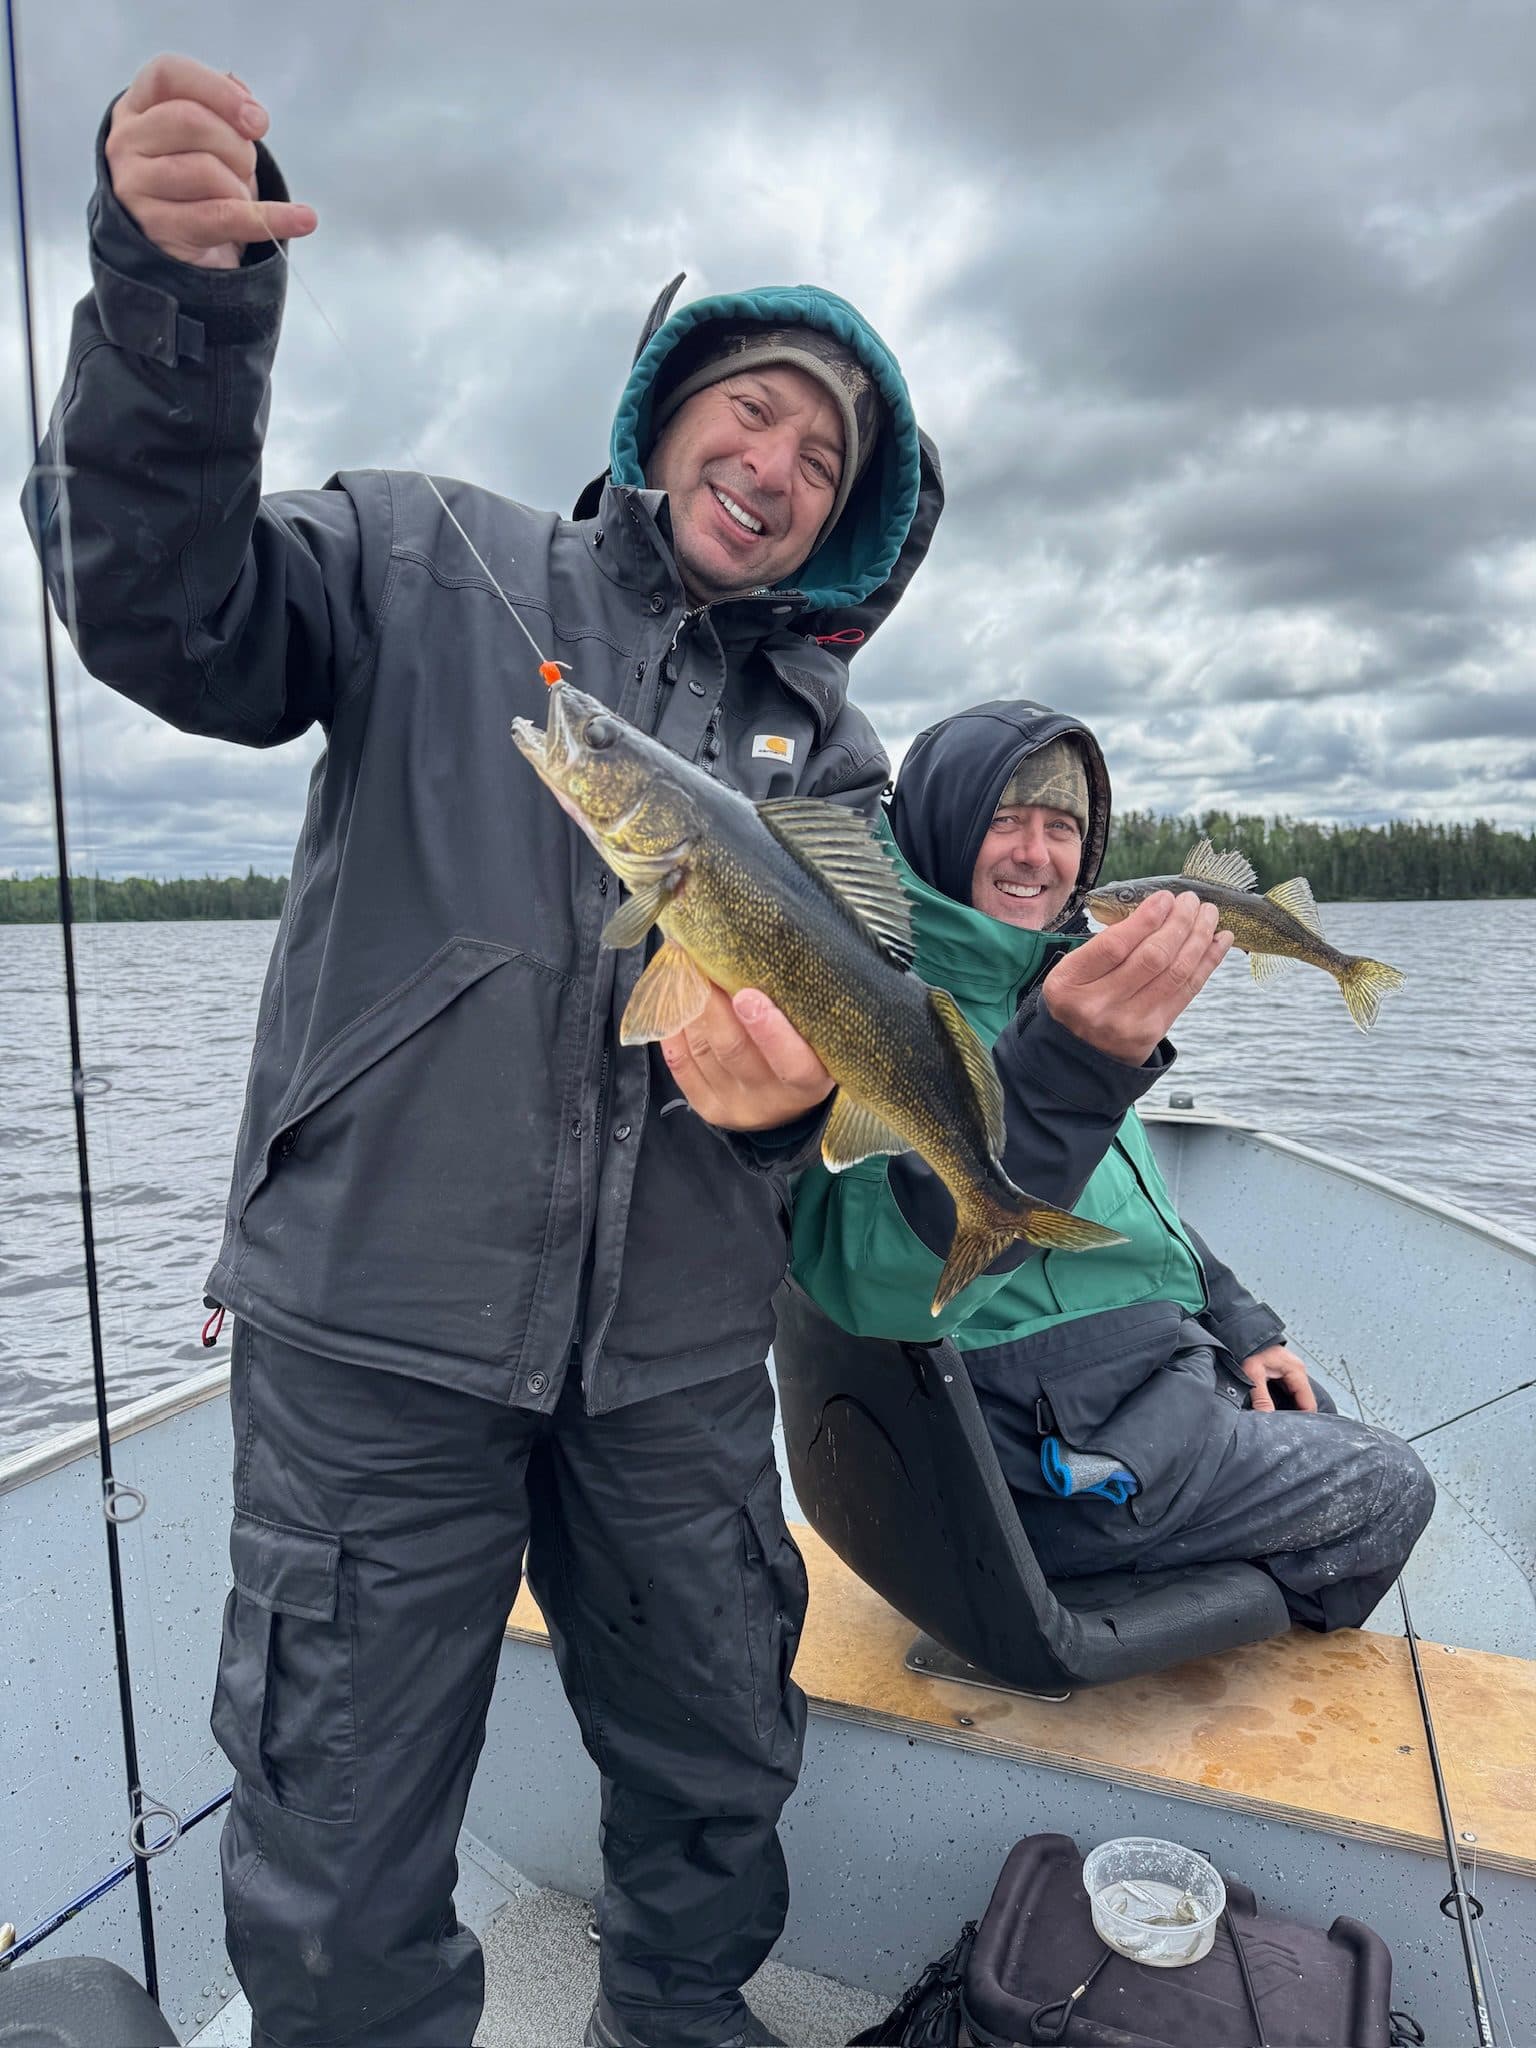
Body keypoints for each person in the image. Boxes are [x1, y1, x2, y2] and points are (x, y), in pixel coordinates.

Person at [22, 53, 944, 2048]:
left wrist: (795, 1122)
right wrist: (174, 313)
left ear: (841, 521)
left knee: (716, 1765)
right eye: (753, 404)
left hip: (682, 1372)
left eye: (823, 451)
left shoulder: (835, 763)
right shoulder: (429, 559)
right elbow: (169, 612)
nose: (777, 456)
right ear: (667, 407)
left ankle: (677, 2020)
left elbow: (832, 1092)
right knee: (340, 1852)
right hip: (375, 1341)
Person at [791, 700, 1435, 1635]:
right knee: (1386, 1487)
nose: (1035, 855)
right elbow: (877, 1283)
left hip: (1123, 1381)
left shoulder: (1055, 987)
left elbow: (1131, 1199)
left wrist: (1240, 1322)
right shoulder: (880, 999)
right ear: (934, 827)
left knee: (1310, 1405)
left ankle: (1175, 1533)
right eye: (1002, 821)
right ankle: (1097, 1599)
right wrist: (1066, 1072)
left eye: (1063, 829)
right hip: (1031, 1443)